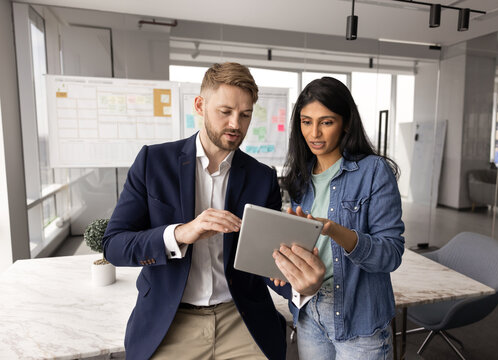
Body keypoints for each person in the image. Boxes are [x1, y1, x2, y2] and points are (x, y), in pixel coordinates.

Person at [102, 62, 324, 360]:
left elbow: (269, 265)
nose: (236, 124)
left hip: (242, 321)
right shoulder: (153, 162)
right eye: (225, 112)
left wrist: (300, 286)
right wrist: (181, 233)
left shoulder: (262, 177)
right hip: (170, 324)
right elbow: (114, 245)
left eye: (245, 115)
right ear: (200, 105)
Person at [275, 77, 405, 360]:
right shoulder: (300, 177)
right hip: (311, 311)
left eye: (326, 122)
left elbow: (391, 254)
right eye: (306, 122)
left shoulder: (373, 171)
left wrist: (335, 231)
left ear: (346, 123)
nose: (314, 133)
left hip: (360, 318)